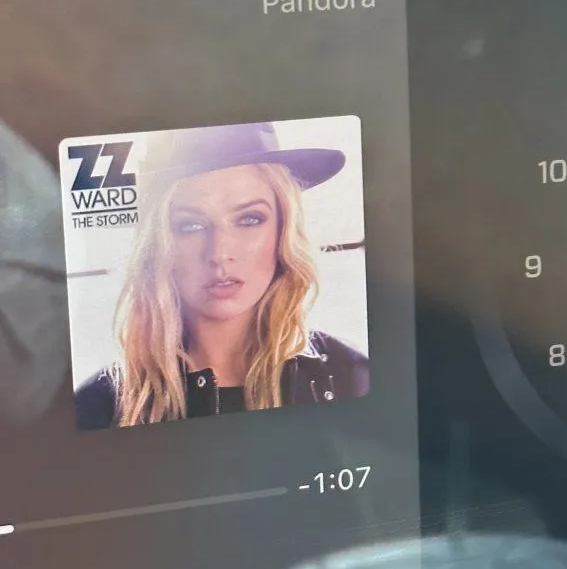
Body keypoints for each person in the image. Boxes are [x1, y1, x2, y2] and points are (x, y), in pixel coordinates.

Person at [76, 121, 368, 429]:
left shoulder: (349, 376)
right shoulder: (99, 406)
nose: (219, 253)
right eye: (190, 225)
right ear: (157, 244)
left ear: (283, 229)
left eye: (249, 219)